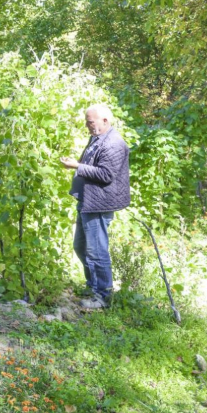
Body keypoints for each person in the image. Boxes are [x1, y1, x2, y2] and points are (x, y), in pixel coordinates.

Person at [60, 104, 130, 309]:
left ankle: (103, 296)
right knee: (81, 247)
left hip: (99, 203)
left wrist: (77, 166)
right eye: (87, 122)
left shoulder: (114, 144)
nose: (87, 126)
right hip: (88, 201)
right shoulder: (98, 138)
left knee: (97, 250)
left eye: (90, 122)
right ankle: (93, 287)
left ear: (105, 121)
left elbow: (106, 175)